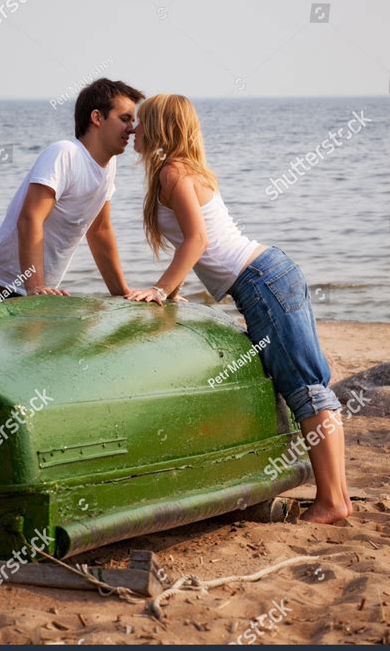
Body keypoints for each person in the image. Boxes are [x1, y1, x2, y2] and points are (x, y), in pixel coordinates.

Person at [126, 93, 351, 524]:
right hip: (265, 278)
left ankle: (332, 502)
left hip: (262, 280)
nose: (134, 129)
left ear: (159, 127)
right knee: (309, 383)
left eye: (140, 122)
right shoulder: (178, 170)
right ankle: (335, 497)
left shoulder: (174, 171)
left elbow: (197, 241)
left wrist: (160, 288)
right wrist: (173, 295)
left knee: (305, 386)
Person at [0, 78, 144, 307]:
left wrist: (123, 293)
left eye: (133, 121)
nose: (132, 129)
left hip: (26, 295)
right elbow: (30, 219)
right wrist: (35, 287)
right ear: (97, 118)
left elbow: (100, 231)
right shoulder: (65, 153)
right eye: (125, 119)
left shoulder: (108, 167)